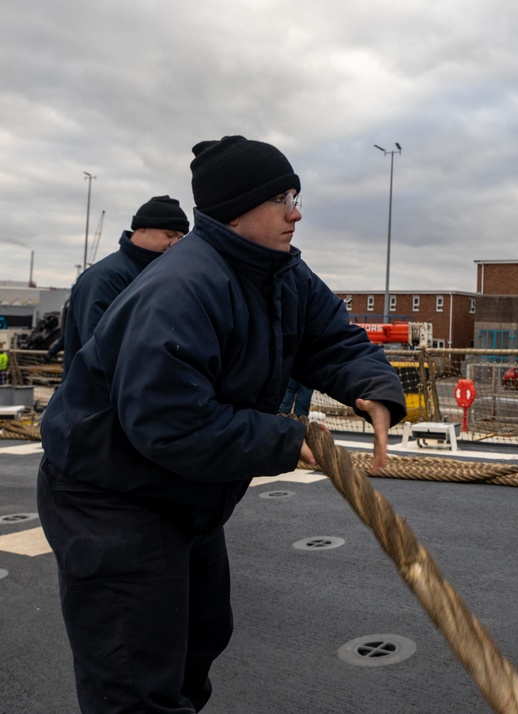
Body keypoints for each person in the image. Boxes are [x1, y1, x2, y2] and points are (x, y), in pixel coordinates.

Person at [37, 135, 407, 713]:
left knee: (198, 643)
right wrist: (286, 440)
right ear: (238, 209)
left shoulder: (281, 272)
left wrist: (374, 388)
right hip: (111, 495)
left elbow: (331, 336)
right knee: (135, 681)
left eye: (297, 195)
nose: (297, 211)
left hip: (185, 493)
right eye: (283, 197)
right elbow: (169, 423)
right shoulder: (181, 287)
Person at [61, 195, 189, 369]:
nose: (174, 244)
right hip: (101, 394)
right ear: (141, 228)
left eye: (180, 238)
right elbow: (99, 351)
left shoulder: (161, 274)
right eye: (169, 235)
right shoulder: (103, 278)